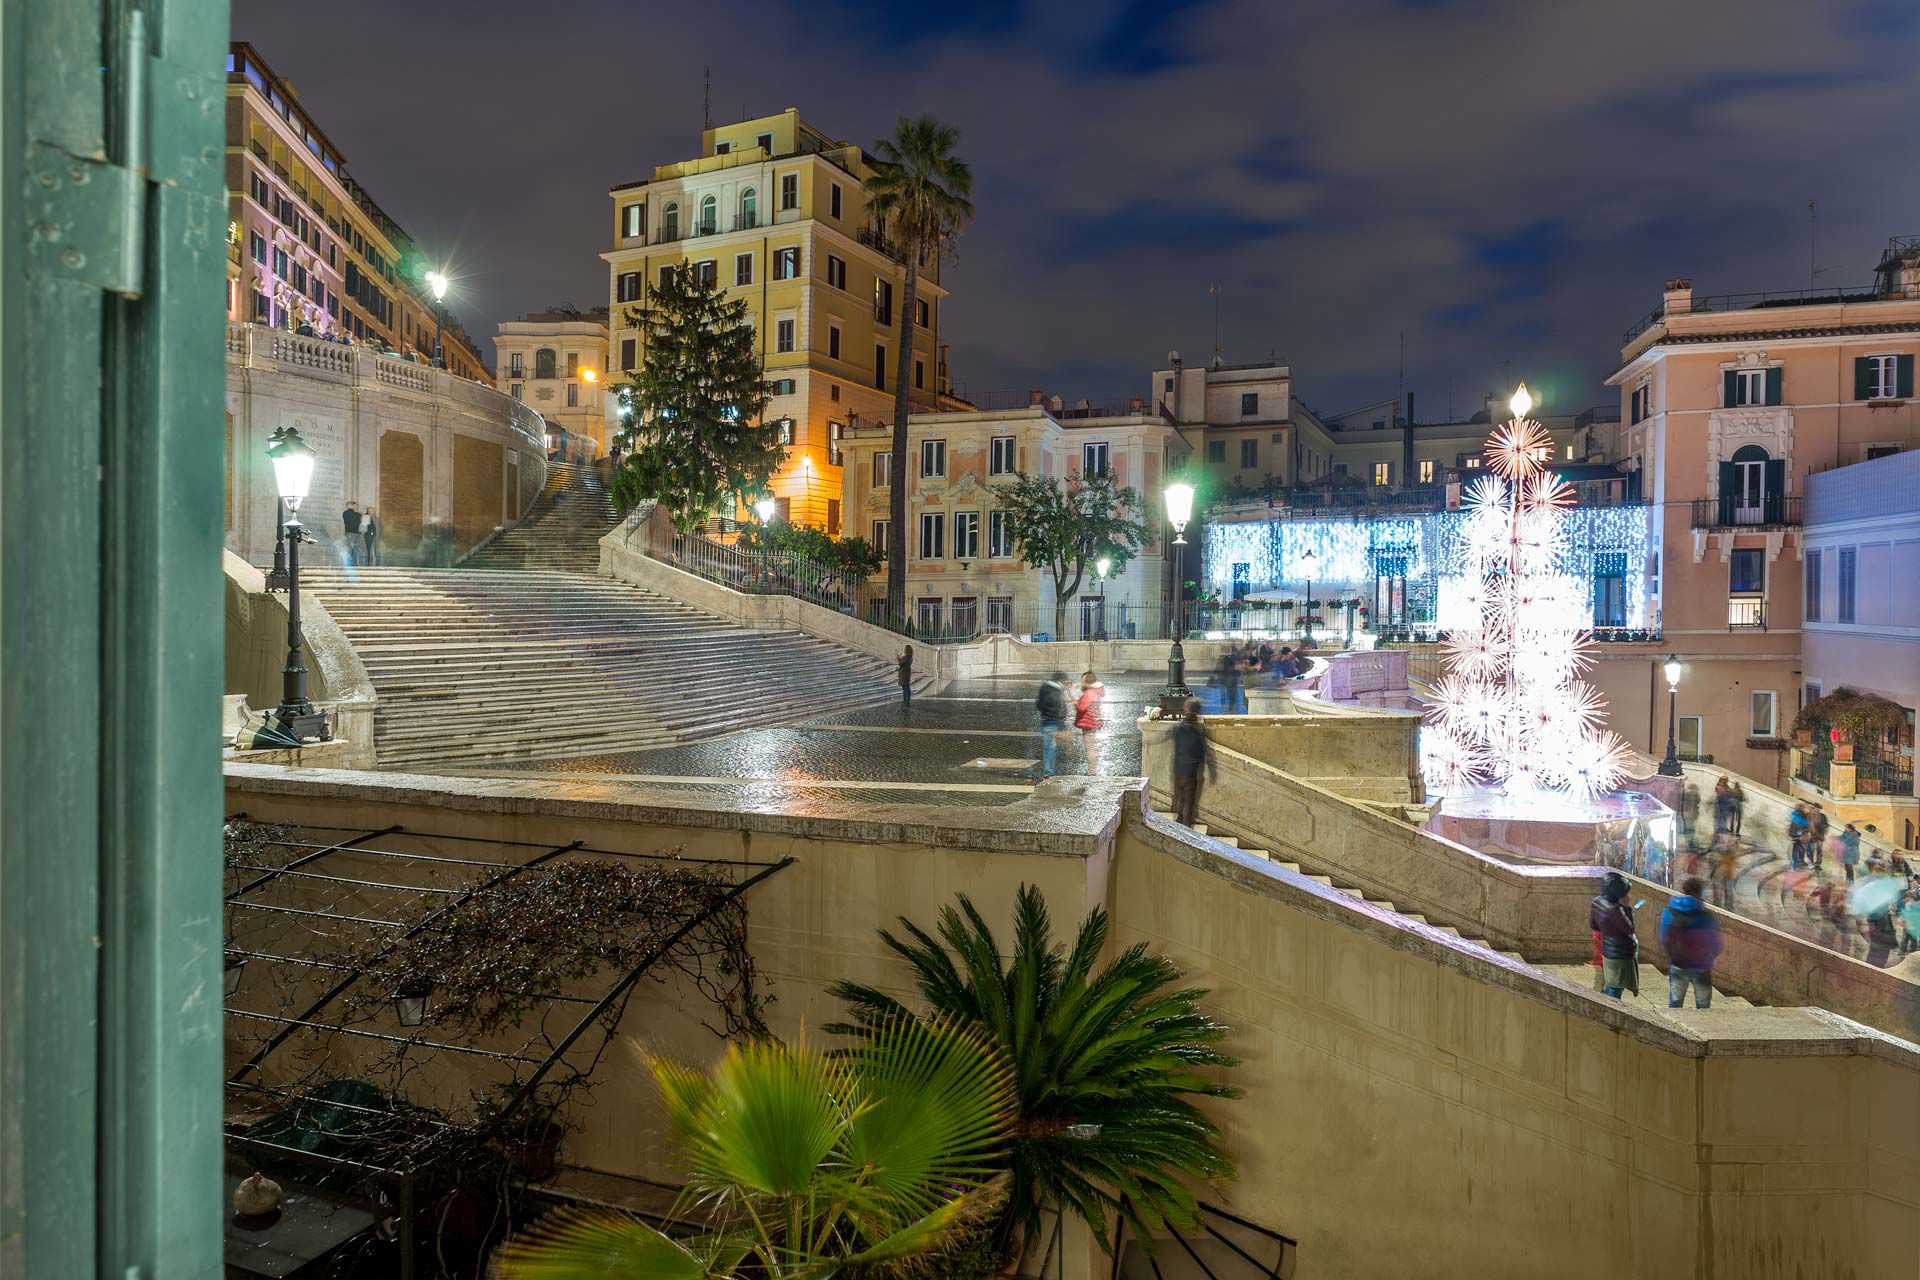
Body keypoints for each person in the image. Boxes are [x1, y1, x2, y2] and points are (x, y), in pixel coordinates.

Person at [1659, 876, 1724, 1009]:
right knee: (1703, 1005)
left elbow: (1663, 939)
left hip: (1678, 964)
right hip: (1702, 965)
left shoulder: (1670, 912)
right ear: (1700, 892)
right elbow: (1717, 943)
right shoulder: (1707, 916)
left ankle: (1672, 1028)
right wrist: (1711, 957)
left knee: (1675, 1004)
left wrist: (1673, 955)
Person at [1589, 871, 1638, 999]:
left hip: (1607, 949)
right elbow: (1630, 929)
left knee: (1611, 983)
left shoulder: (1597, 901)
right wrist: (1627, 908)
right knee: (1615, 988)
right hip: (1619, 954)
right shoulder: (1615, 910)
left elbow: (1594, 925)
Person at [1170, 698, 1216, 827]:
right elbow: (1207, 751)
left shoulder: (1177, 727)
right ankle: (1187, 832)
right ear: (1198, 711)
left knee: (1179, 802)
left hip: (1178, 770)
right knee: (1189, 805)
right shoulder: (1200, 729)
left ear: (1185, 709)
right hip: (1192, 772)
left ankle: (1178, 826)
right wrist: (1213, 773)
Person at [1035, 673, 1069, 779]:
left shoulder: (1045, 688)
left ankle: (1049, 771)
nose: (1067, 683)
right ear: (1061, 680)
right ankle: (1049, 773)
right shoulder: (1056, 691)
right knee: (1051, 748)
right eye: (1066, 680)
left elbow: (1038, 704)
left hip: (1045, 720)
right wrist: (1061, 722)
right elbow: (1058, 708)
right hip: (1052, 722)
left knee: (1048, 747)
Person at [1073, 671, 1105, 774]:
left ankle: (1092, 771)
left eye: (1083, 680)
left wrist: (1075, 700)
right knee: (1091, 747)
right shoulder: (1096, 691)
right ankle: (1092, 770)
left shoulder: (1089, 693)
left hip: (1088, 722)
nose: (1082, 682)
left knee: (1090, 748)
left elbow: (1081, 707)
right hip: (1093, 720)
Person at [1215, 649, 1244, 714]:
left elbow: (1218, 670)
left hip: (1226, 681)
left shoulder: (1223, 658)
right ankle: (1230, 711)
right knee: (1230, 697)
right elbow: (1228, 669)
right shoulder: (1227, 659)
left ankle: (1226, 710)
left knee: (1226, 696)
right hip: (1229, 681)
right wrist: (1235, 668)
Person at [1787, 803, 1811, 870]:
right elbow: (1804, 824)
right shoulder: (1800, 815)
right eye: (1803, 808)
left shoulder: (1794, 814)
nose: (1804, 809)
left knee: (1799, 848)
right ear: (1801, 809)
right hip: (1798, 834)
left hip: (1795, 833)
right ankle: (1797, 863)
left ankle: (1799, 862)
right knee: (1799, 848)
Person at [340, 501, 364, 566]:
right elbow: (357, 519)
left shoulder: (352, 514)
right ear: (350, 506)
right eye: (353, 505)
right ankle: (352, 563)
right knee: (352, 549)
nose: (355, 506)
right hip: (352, 533)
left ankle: (353, 563)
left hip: (353, 533)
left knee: (354, 549)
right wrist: (360, 514)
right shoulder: (347, 513)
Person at [1809, 803, 1830, 871]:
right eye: (1816, 808)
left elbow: (1826, 826)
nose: (1818, 810)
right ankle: (1811, 863)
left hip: (1819, 837)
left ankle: (1818, 865)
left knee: (1819, 851)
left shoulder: (1823, 816)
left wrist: (1823, 835)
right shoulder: (1809, 816)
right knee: (1810, 851)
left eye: (1819, 809)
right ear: (1814, 808)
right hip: (1810, 836)